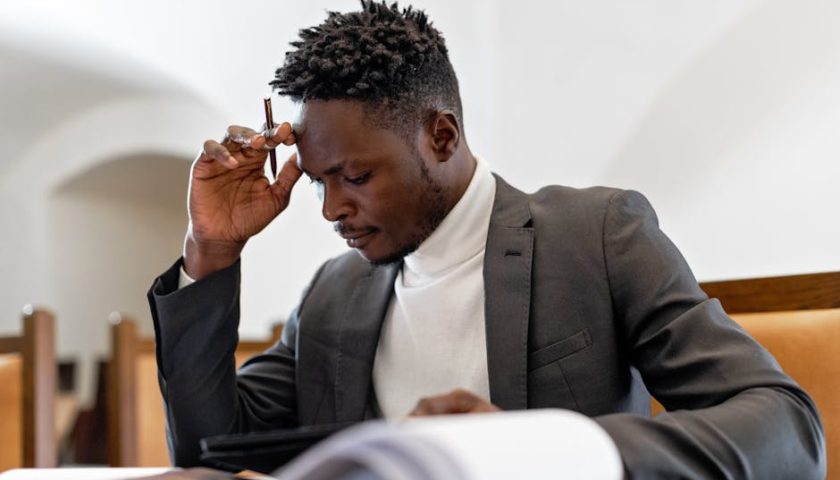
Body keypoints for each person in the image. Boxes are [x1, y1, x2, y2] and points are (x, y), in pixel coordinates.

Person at [147, 1, 825, 477]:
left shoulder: (596, 237)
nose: (330, 210)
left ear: (441, 136)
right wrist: (212, 251)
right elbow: (210, 454)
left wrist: (547, 453)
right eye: (320, 183)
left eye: (354, 177)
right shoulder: (333, 293)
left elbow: (786, 428)